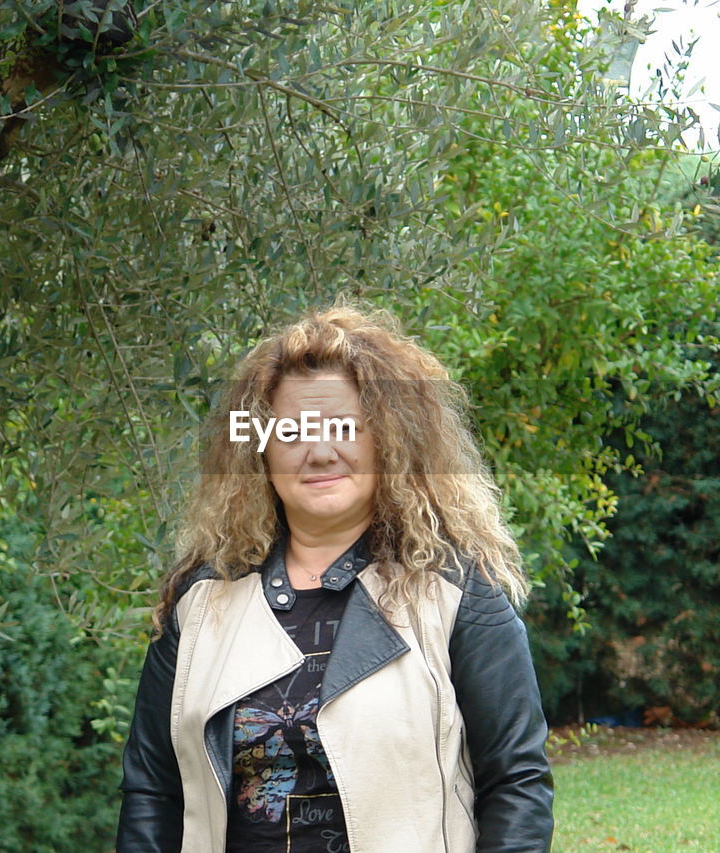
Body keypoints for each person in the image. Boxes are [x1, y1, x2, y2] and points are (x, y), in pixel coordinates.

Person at [115, 306, 554, 853]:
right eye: (293, 430)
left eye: (344, 427)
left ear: (388, 441)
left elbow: (516, 785)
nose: (320, 452)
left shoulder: (458, 594)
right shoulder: (201, 600)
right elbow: (152, 791)